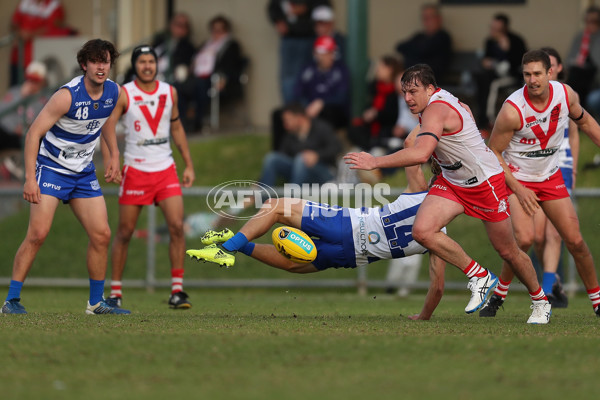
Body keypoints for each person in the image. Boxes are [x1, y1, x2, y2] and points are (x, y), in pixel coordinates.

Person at [344, 63, 552, 324]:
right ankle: (479, 275)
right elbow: (432, 135)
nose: (407, 98)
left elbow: (419, 152)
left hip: (484, 184)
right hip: (453, 182)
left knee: (508, 251)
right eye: (404, 92)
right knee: (422, 231)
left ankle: (540, 301)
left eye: (413, 91)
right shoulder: (435, 104)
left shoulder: (436, 109)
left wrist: (375, 162)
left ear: (431, 89)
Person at [187, 132, 446, 321]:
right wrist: (424, 316)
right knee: (292, 262)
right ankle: (234, 244)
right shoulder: (439, 236)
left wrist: (429, 117)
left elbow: (411, 144)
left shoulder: (419, 193)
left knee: (276, 207)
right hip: (351, 256)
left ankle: (229, 246)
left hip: (345, 225)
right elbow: (437, 286)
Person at [0, 39, 130, 315]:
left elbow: (106, 121)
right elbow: (33, 133)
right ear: (84, 65)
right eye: (95, 61)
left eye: (105, 61)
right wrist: (29, 179)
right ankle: (11, 301)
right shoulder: (66, 95)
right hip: (51, 168)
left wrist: (114, 155)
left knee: (102, 234)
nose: (101, 67)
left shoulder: (114, 92)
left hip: (82, 173)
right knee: (37, 234)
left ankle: (96, 304)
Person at [480, 49, 600, 318]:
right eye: (526, 74)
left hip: (549, 177)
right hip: (517, 179)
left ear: (550, 73)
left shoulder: (565, 95)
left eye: (537, 74)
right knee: (524, 239)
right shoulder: (512, 110)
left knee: (576, 241)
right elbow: (493, 153)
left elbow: (588, 122)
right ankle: (500, 295)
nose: (532, 80)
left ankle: (597, 301)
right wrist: (519, 189)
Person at [102, 45, 196, 310]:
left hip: (165, 169)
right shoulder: (125, 93)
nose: (147, 66)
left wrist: (188, 164)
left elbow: (176, 125)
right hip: (135, 169)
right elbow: (108, 126)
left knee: (177, 227)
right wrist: (113, 157)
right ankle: (116, 292)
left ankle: (177, 292)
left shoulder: (170, 91)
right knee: (124, 232)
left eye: (151, 61)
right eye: (142, 61)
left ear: (157, 65)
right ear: (135, 65)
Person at [529, 47, 579, 308]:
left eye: (554, 66)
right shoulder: (530, 98)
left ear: (557, 68)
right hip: (536, 169)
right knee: (537, 236)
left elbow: (576, 130)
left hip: (561, 167)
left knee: (554, 233)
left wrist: (574, 167)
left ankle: (547, 288)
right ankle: (552, 279)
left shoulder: (566, 94)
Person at [272, 35, 350, 150]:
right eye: (322, 53)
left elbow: (342, 97)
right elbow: (297, 91)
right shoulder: (308, 68)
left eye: (329, 53)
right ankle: (281, 154)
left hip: (331, 110)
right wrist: (305, 107)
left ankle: (320, 154)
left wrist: (322, 103)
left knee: (325, 115)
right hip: (307, 107)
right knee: (279, 114)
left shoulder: (341, 70)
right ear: (315, 53)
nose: (325, 56)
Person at [182, 15, 245, 132]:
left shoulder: (231, 45)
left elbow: (231, 65)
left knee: (200, 86)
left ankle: (197, 122)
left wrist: (223, 77)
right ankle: (181, 121)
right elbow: (194, 60)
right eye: (214, 30)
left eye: (220, 30)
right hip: (196, 77)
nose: (216, 33)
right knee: (178, 87)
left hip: (216, 81)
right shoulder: (206, 44)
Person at [261, 103, 341, 186]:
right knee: (272, 158)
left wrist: (317, 155)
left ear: (299, 118)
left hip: (324, 172)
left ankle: (292, 196)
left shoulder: (322, 127)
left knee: (301, 158)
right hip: (298, 171)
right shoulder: (290, 135)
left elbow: (336, 147)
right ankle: (263, 195)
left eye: (288, 120)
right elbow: (283, 156)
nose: (285, 125)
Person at [267, 0, 329, 104]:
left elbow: (324, 6)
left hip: (310, 37)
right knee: (288, 80)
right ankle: (291, 114)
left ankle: (307, 115)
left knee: (311, 78)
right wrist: (278, 20)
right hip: (290, 39)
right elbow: (273, 7)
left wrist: (306, 6)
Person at [474, 13, 527, 129]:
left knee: (492, 85)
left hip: (512, 77)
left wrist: (508, 50)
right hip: (494, 74)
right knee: (481, 79)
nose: (494, 32)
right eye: (492, 28)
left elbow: (520, 64)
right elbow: (486, 59)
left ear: (505, 29)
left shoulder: (515, 40)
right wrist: (486, 62)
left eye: (498, 29)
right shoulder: (490, 41)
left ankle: (490, 120)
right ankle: (482, 119)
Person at [0, 60, 49, 180]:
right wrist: (21, 96)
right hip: (13, 134)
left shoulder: (46, 97)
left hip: (32, 135)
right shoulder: (16, 92)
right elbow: (2, 113)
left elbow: (45, 121)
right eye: (30, 79)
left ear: (42, 81)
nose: (32, 83)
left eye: (36, 80)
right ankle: (9, 167)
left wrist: (28, 128)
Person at [9, 0, 74, 86]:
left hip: (38, 58)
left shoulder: (54, 5)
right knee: (16, 91)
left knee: (35, 93)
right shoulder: (25, 2)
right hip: (18, 56)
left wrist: (30, 34)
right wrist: (18, 33)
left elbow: (53, 27)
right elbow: (14, 22)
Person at [395, 4, 453, 85]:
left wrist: (414, 51)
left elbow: (426, 51)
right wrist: (417, 50)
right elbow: (400, 47)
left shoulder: (443, 37)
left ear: (438, 19)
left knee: (402, 80)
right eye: (425, 18)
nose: (427, 21)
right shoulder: (419, 36)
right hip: (413, 74)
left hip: (432, 77)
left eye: (430, 17)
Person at [566, 6, 600, 109]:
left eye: (594, 21)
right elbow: (568, 61)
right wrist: (576, 62)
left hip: (595, 80)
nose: (590, 24)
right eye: (587, 21)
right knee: (576, 76)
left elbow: (597, 61)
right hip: (579, 77)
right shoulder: (580, 37)